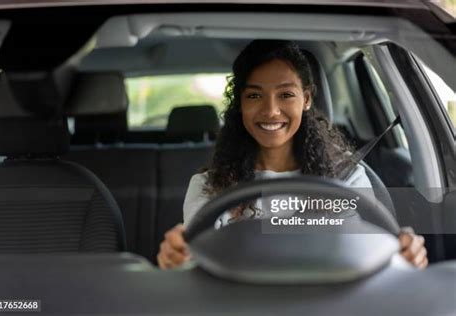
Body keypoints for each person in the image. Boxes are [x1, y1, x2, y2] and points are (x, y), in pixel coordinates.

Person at [157, 40, 428, 270]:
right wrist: (178, 258)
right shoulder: (208, 187)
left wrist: (402, 255)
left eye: (286, 94)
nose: (271, 110)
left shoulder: (348, 178)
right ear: (240, 104)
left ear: (306, 99)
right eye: (254, 96)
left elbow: (370, 256)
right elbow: (196, 266)